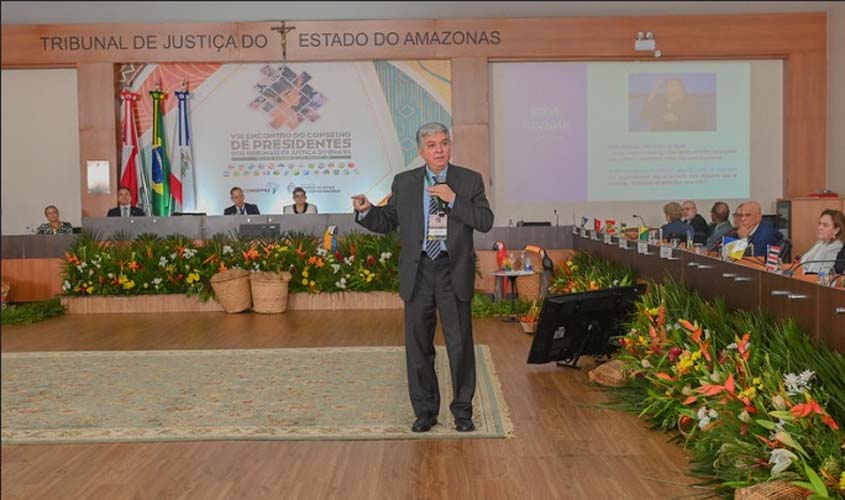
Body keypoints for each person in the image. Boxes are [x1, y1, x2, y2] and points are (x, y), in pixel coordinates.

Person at [352, 122, 493, 434]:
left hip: (452, 271)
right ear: (421, 151)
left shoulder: (469, 180)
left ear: (450, 146)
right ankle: (425, 412)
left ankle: (462, 412)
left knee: (460, 345)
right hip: (419, 272)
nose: (439, 150)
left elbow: (485, 220)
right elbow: (388, 221)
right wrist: (367, 211)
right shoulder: (405, 182)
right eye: (432, 145)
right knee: (418, 348)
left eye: (444, 143)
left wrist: (454, 200)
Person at [640, 78, 707, 132]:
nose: (670, 89)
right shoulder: (661, 102)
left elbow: (701, 125)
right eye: (667, 87)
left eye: (673, 86)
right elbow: (645, 115)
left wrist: (678, 120)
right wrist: (655, 88)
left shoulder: (692, 103)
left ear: (681, 88)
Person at [800, 209, 845, 275]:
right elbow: (804, 263)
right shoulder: (820, 243)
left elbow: (826, 273)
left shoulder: (835, 246)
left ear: (836, 230)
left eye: (825, 225)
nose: (820, 228)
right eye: (820, 224)